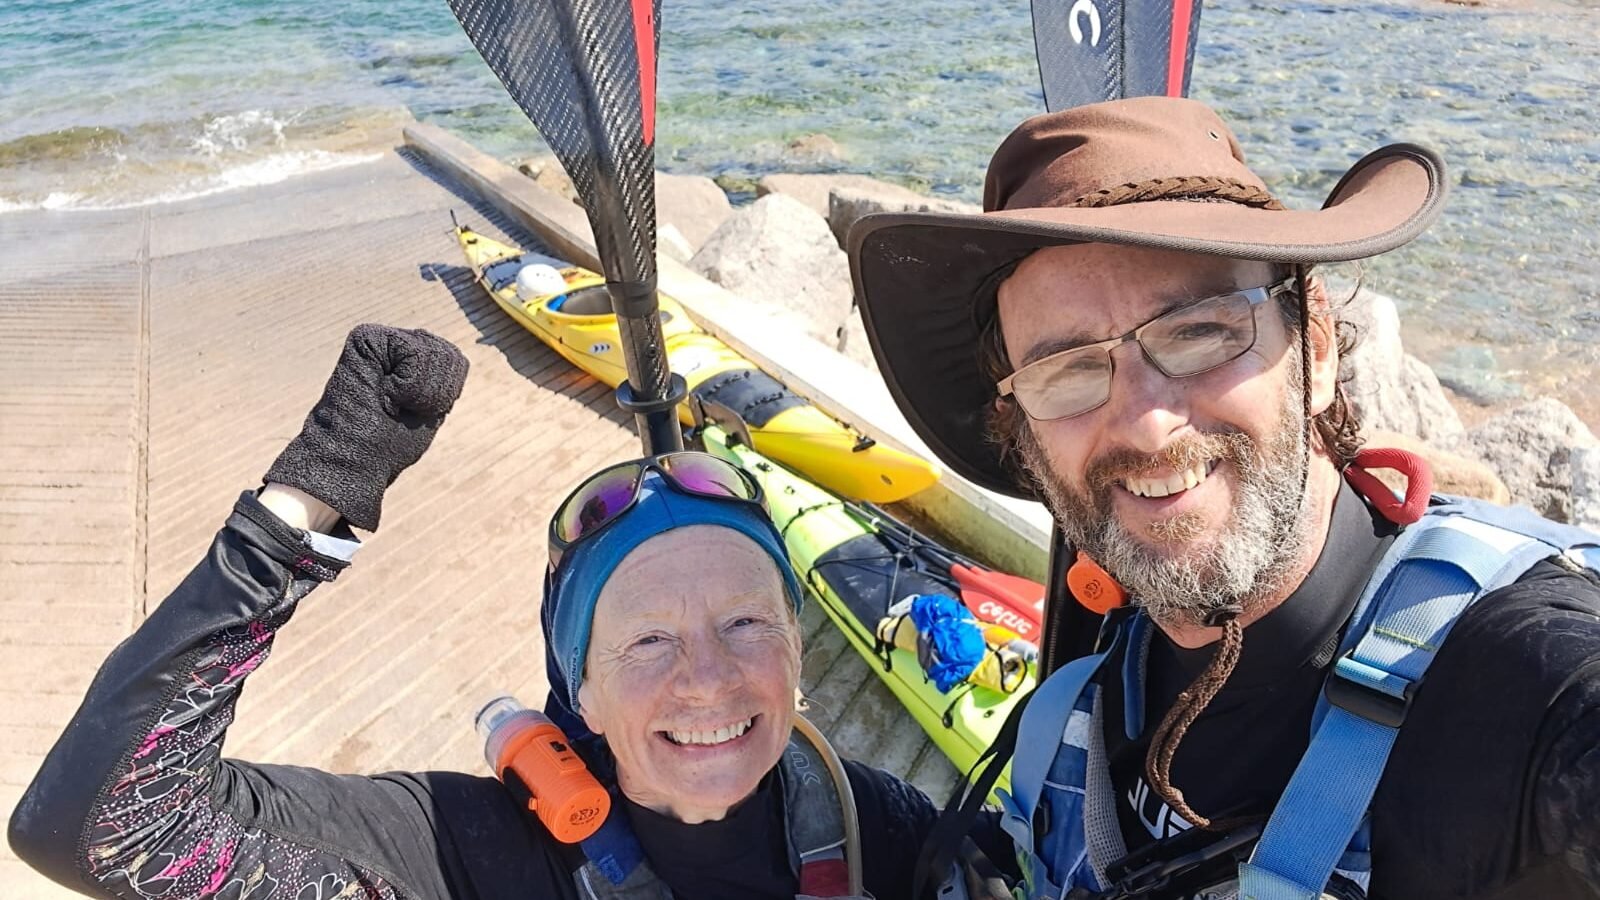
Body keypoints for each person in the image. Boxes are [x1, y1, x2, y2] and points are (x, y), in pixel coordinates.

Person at [846, 97, 1600, 898]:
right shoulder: (1089, 695)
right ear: (1023, 435)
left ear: (1311, 343)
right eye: (1067, 372)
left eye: (1198, 331)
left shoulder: (1522, 677)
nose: (1145, 421)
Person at [7, 324, 947, 900]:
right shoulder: (461, 856)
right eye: (649, 639)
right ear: (579, 684)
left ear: (797, 649)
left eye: (745, 623)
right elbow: (98, 824)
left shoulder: (877, 829)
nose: (706, 678)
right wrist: (299, 513)